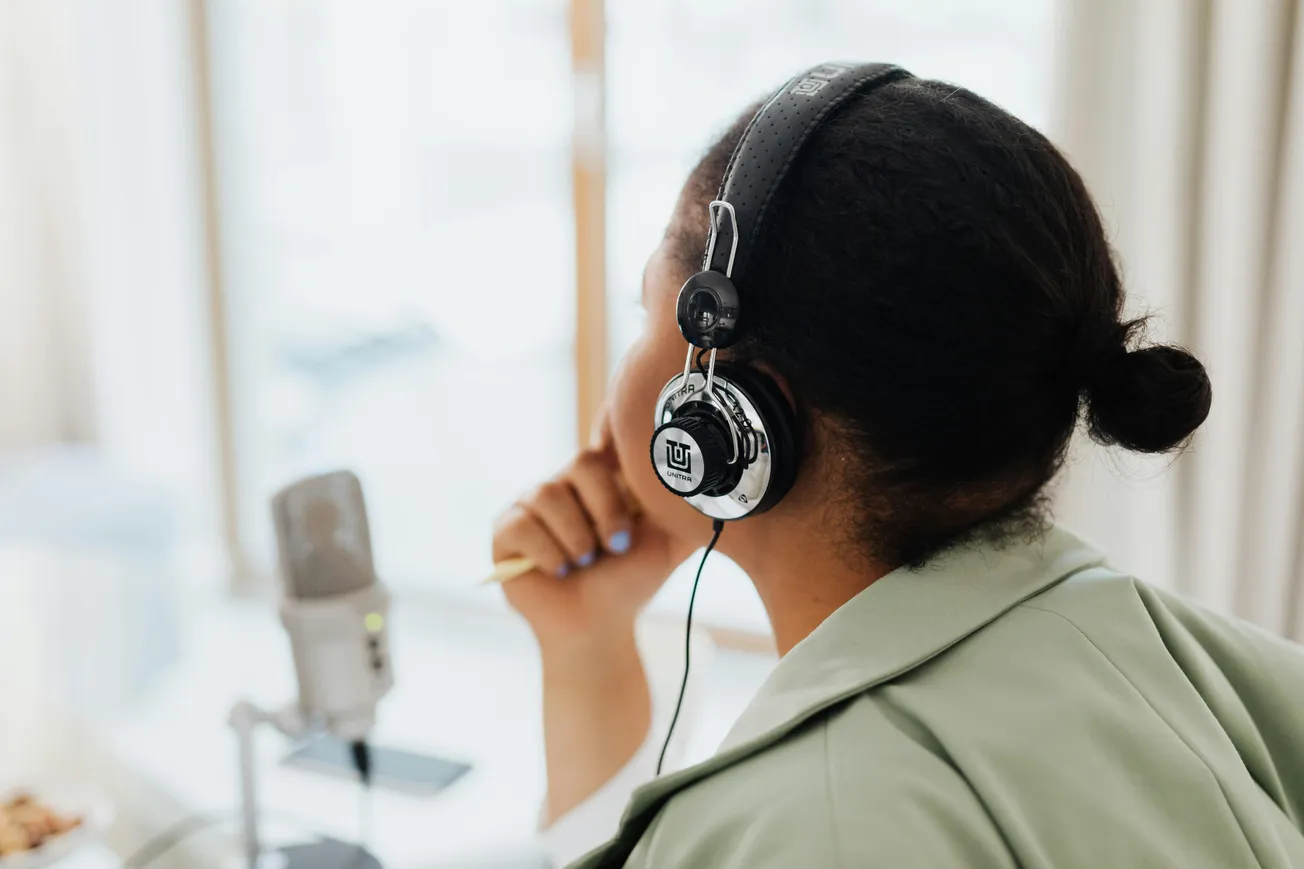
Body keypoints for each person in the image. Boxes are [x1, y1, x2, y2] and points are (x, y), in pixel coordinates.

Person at [491, 64, 1304, 868]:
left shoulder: (809, 824)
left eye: (645, 311)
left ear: (725, 411)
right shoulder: (1195, 658)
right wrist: (586, 650)